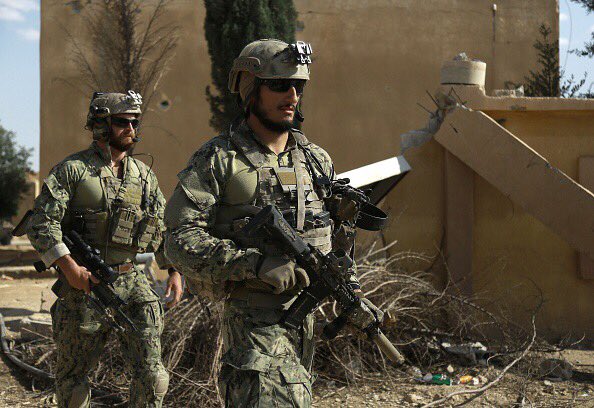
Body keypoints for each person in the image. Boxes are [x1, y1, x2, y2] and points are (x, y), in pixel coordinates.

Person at [164, 40, 382, 407]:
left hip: (304, 323)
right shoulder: (219, 159)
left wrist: (352, 291)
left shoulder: (315, 160)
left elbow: (336, 236)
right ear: (251, 88)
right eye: (280, 85)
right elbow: (179, 239)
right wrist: (255, 264)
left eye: (299, 86)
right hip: (254, 323)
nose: (292, 95)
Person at [26, 91, 182, 408]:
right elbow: (42, 222)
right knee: (73, 383)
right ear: (100, 124)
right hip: (83, 285)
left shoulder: (144, 175)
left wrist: (174, 270)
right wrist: (69, 268)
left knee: (153, 378)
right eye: (122, 121)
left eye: (135, 122)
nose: (130, 128)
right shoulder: (72, 171)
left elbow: (162, 227)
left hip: (135, 284)